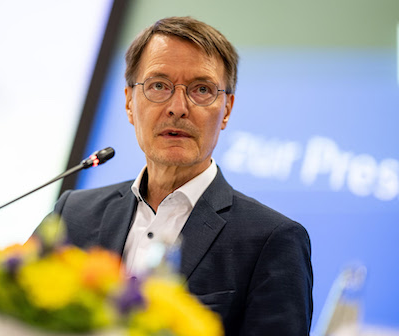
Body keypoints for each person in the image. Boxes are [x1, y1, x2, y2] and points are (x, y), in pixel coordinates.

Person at [40, 17, 313, 335]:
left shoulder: (273, 240)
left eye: (201, 89)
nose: (178, 107)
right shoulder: (73, 213)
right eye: (158, 85)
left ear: (226, 110)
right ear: (129, 102)